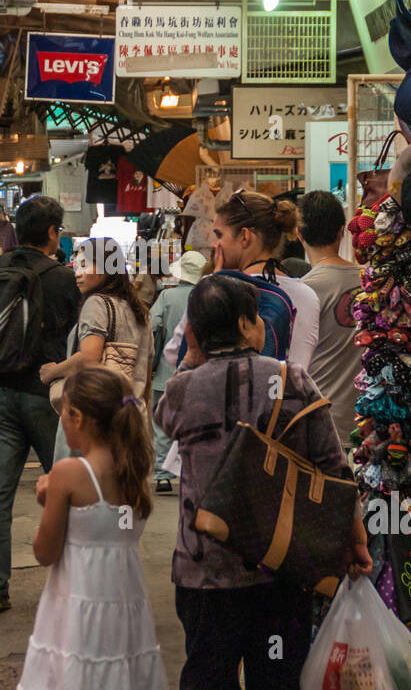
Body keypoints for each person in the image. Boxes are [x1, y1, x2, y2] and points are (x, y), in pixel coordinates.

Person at [155, 274, 371, 690]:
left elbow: (165, 425)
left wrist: (195, 356)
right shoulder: (291, 380)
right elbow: (333, 466)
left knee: (207, 688)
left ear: (195, 331)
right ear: (254, 323)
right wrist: (354, 541)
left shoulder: (182, 390)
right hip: (282, 567)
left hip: (205, 572)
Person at [18, 366, 170, 690]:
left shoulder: (68, 473)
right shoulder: (132, 470)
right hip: (122, 613)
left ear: (79, 417)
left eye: (65, 414)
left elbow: (44, 552)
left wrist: (47, 499)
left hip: (78, 617)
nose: (63, 422)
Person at [0, 195, 79, 614]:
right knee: (66, 488)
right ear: (53, 232)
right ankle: (70, 584)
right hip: (46, 397)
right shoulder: (62, 278)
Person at [39, 237, 152, 460]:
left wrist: (51, 372)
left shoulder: (97, 303)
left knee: (84, 491)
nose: (77, 273)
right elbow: (146, 375)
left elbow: (90, 356)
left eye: (85, 265)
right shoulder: (139, 311)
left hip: (93, 420)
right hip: (131, 420)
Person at [211, 190, 320, 369]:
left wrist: (214, 283)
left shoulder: (217, 293)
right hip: (286, 393)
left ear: (245, 236)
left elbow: (176, 353)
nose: (214, 245)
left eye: (219, 235)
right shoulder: (307, 295)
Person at [299, 190, 362, 448]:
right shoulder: (373, 281)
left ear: (299, 236)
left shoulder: (303, 291)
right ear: (342, 231)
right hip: (374, 425)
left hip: (321, 426)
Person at [149, 250, 205, 493]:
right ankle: (190, 472)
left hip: (165, 372)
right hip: (199, 374)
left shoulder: (166, 296)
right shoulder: (207, 296)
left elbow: (151, 326)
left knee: (163, 424)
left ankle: (162, 475)